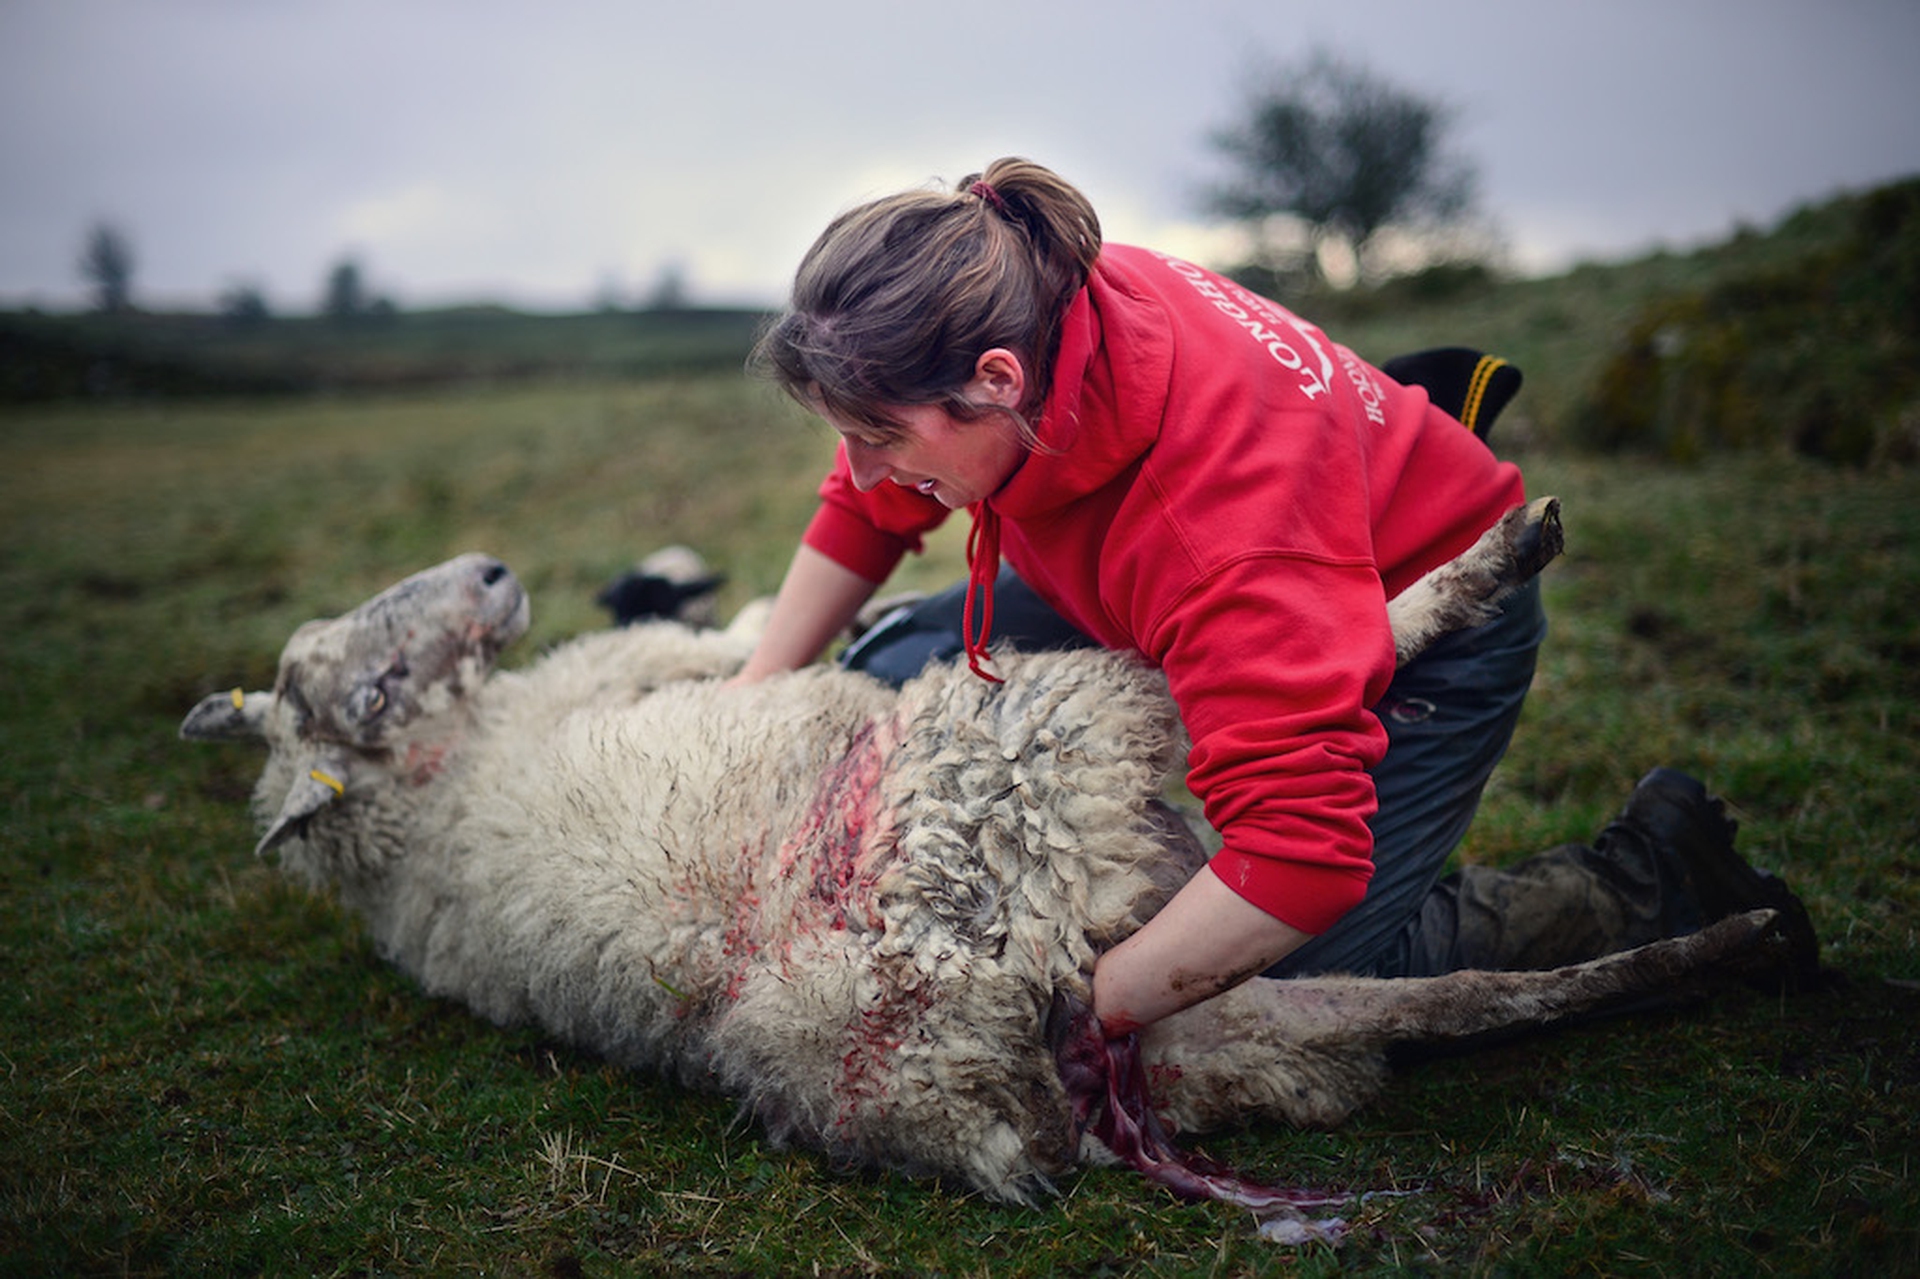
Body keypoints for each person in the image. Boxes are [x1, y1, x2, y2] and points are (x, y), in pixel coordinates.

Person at [727, 157, 1815, 1039]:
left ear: (998, 381)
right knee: (893, 664)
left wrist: (1070, 1023)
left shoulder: (1217, 538)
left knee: (1294, 977)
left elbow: (1299, 857)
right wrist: (752, 694)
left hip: (1433, 609)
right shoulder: (1036, 284)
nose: (862, 467)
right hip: (1175, 559)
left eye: (880, 435)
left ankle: (1653, 877)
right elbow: (869, 498)